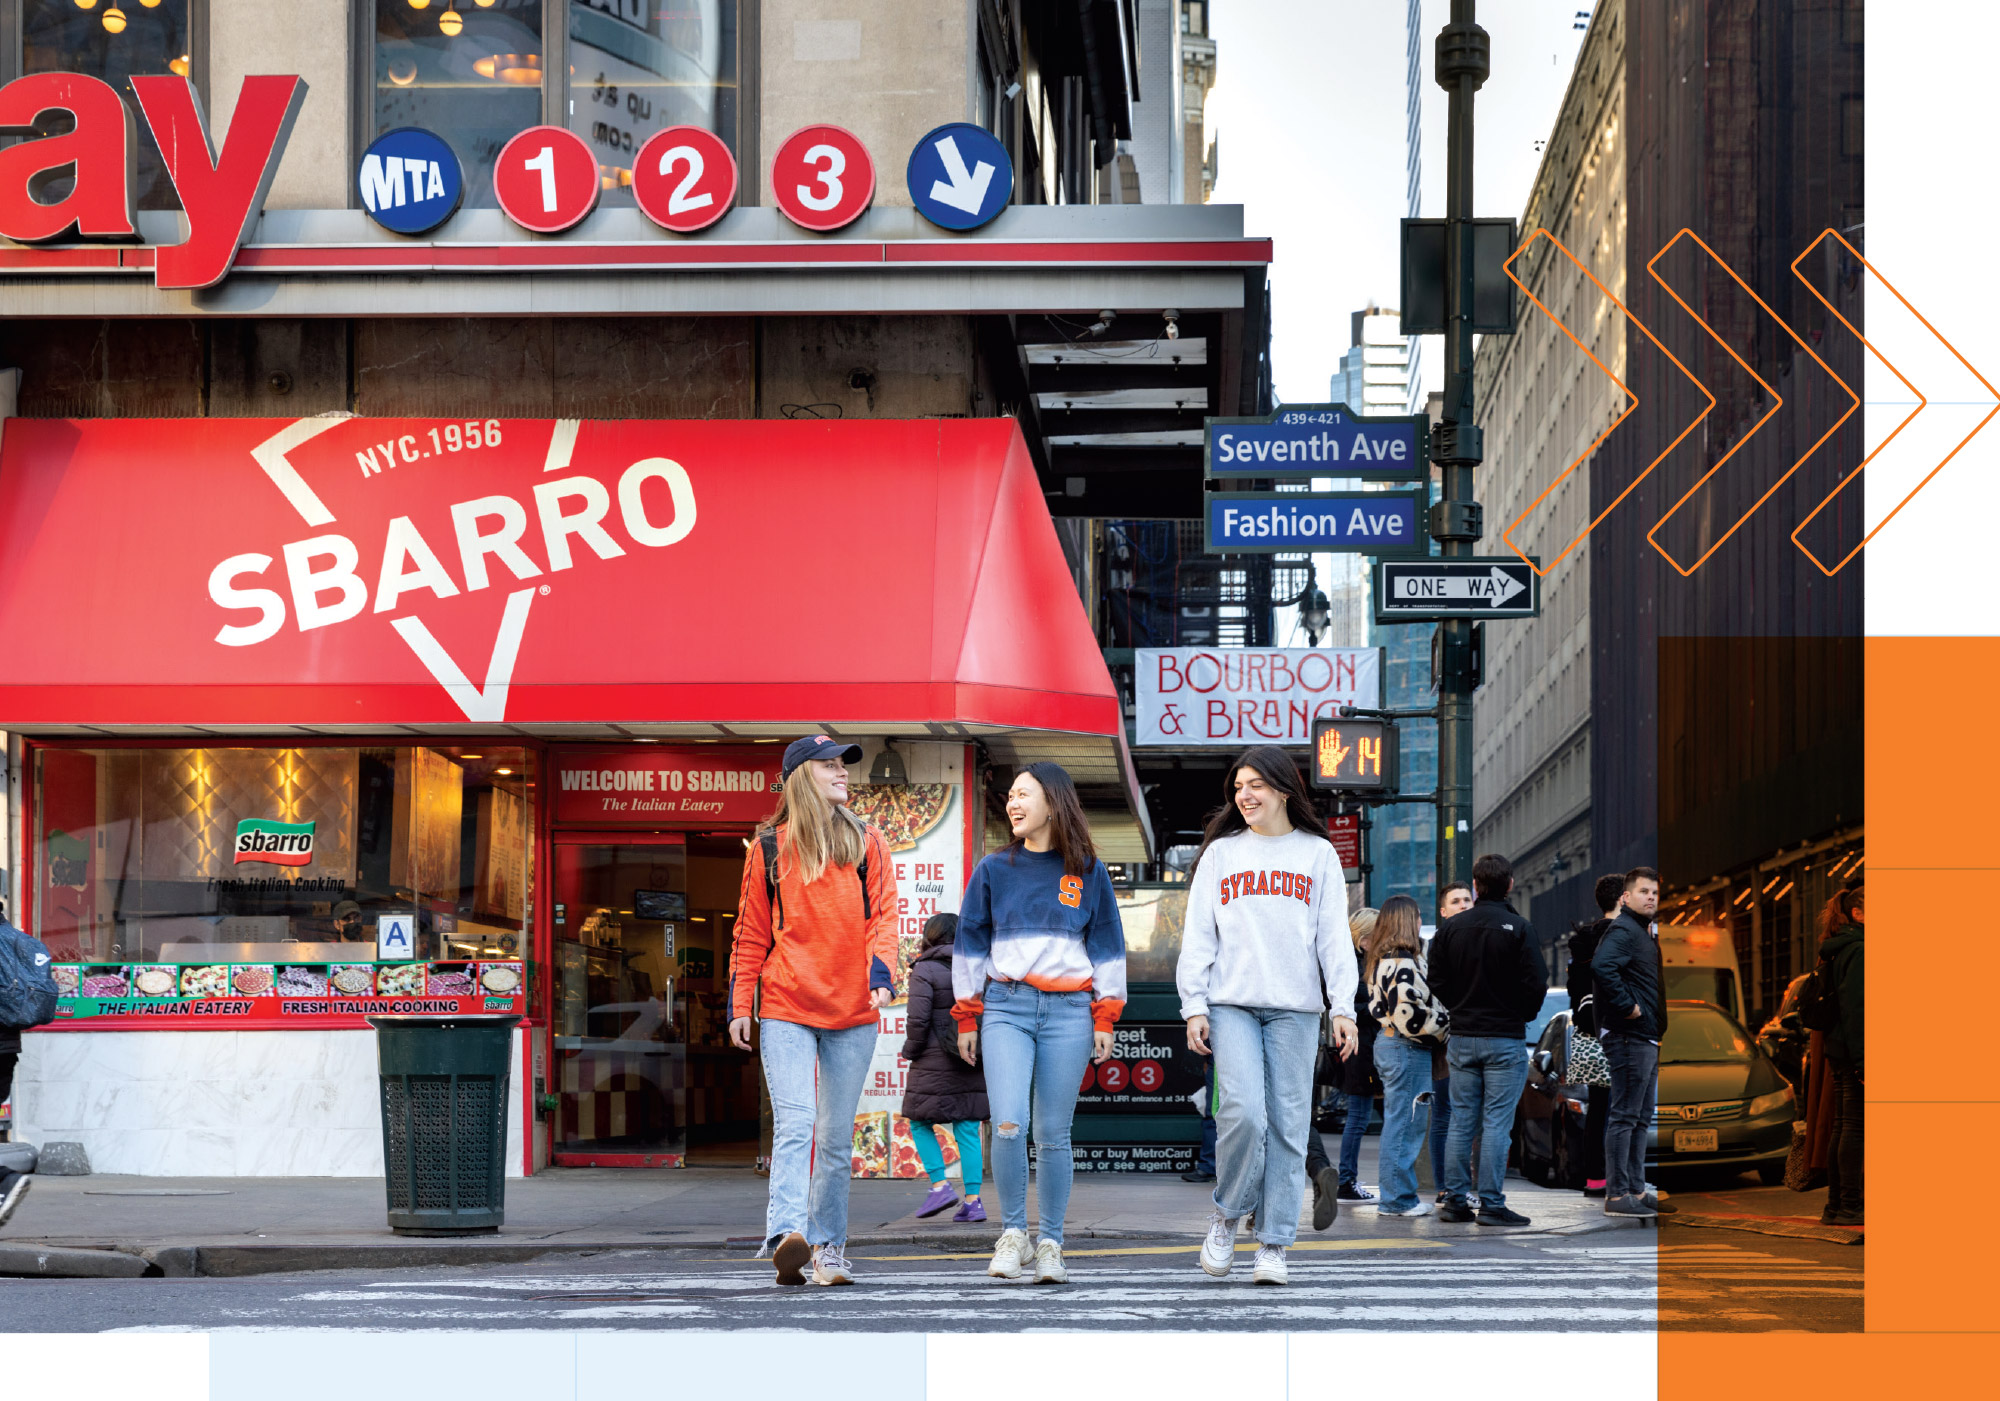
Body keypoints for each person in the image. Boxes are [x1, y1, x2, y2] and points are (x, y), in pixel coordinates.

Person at [1178, 746, 1357, 1287]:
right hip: (1230, 1002)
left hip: (1296, 1009)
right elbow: (1198, 936)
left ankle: (1274, 1243)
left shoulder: (1318, 854)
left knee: (1288, 1126)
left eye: (1255, 784)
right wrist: (1193, 1005)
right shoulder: (1221, 854)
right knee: (1241, 1113)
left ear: (1283, 789)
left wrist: (1343, 1006)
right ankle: (1228, 1213)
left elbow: (1333, 938)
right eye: (1237, 787)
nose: (1244, 795)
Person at [729, 735, 899, 1287]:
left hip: (852, 1008)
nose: (843, 773)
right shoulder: (769, 849)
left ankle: (828, 1249)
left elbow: (885, 920)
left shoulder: (868, 841)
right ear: (802, 775)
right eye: (829, 765)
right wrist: (740, 1003)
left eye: (843, 765)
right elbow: (751, 933)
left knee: (833, 1136)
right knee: (797, 1122)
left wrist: (882, 975)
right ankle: (785, 1236)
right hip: (786, 1003)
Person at [953, 762, 1125, 1285]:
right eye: (1010, 796)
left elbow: (1108, 946)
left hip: (1071, 1012)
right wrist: (966, 1015)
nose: (1012, 803)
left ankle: (1050, 1242)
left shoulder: (1089, 871)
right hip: (1005, 1006)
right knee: (1008, 1124)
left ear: (1053, 801)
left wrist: (1106, 1014)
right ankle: (1012, 1234)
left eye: (1023, 794)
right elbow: (969, 945)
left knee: (1053, 1133)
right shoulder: (992, 870)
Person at [1427, 853, 1549, 1226]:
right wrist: (1519, 1013)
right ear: (1510, 884)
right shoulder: (1519, 928)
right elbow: (1536, 983)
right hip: (1505, 1037)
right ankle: (1492, 1203)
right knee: (1497, 1122)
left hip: (1463, 1037)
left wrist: (1461, 1007)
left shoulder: (1449, 930)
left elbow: (1437, 981)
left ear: (1476, 887)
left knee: (1462, 1120)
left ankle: (1455, 1202)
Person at [899, 912, 988, 1224]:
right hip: (970, 1056)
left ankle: (939, 1186)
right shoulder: (978, 965)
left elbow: (918, 1019)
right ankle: (974, 1202)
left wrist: (910, 1050)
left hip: (932, 1060)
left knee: (919, 1122)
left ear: (930, 937)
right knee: (967, 1128)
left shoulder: (924, 968)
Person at [1366, 894, 1451, 1217]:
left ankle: (1398, 1197)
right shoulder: (1401, 962)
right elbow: (1410, 1016)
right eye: (1416, 917)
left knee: (1401, 1122)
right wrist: (1445, 1024)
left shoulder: (1386, 958)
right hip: (1406, 1046)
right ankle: (1397, 1200)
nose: (1419, 923)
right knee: (1405, 1125)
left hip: (1395, 1045)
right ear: (1406, 920)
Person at [1593, 866, 1669, 1219]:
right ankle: (1618, 1193)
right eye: (1643, 892)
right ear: (1626, 897)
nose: (1651, 897)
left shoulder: (1642, 931)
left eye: (1654, 892)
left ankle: (1636, 1189)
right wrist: (1628, 1008)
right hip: (1629, 1036)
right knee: (1625, 1116)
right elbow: (1601, 967)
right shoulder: (1624, 929)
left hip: (1646, 1036)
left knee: (1639, 1117)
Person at [1566, 873, 1628, 1199]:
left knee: (1598, 1110)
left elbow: (1573, 993)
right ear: (1623, 899)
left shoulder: (1581, 941)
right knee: (1627, 1111)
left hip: (1589, 1035)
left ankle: (1595, 1179)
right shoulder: (1628, 936)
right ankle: (1623, 1180)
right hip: (1623, 1032)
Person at [1816, 885, 1864, 1227]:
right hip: (1854, 1047)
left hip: (1837, 1045)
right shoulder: (1860, 949)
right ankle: (1850, 1206)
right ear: (1858, 914)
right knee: (1854, 1126)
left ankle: (1835, 1205)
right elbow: (1858, 1009)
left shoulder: (1837, 947)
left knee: (1843, 1125)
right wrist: (1865, 1060)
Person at [1427, 880, 1475, 1201]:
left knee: (1470, 1115)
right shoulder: (1441, 943)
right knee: (1445, 1113)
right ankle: (1446, 1187)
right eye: (1456, 901)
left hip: (1475, 1035)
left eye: (1467, 900)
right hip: (1448, 1040)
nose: (1463, 905)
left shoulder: (1484, 936)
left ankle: (1464, 1187)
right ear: (1444, 912)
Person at [1329, 907, 1379, 1210]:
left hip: (1363, 1047)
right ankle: (1346, 1181)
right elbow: (1346, 1004)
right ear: (1363, 936)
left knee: (1360, 1117)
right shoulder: (1354, 963)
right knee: (1359, 1117)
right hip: (1361, 1048)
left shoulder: (1357, 960)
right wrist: (1375, 1007)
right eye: (1376, 935)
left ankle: (1348, 1180)